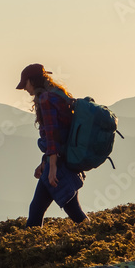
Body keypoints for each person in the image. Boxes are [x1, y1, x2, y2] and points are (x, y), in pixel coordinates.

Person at [16, 63, 88, 227]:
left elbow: (52, 134)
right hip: (63, 159)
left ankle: (97, 239)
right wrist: (44, 163)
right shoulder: (57, 94)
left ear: (32, 81)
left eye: (25, 84)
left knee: (70, 211)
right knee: (38, 208)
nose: (25, 89)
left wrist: (52, 167)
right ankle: (94, 235)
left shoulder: (46, 99)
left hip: (59, 164)